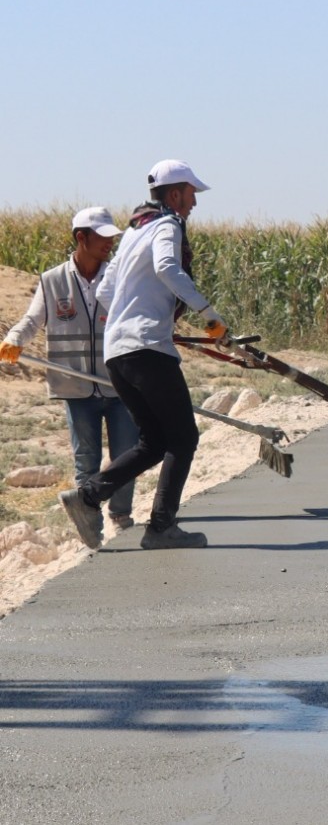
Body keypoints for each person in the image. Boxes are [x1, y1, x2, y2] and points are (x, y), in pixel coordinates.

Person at [57, 160, 230, 551]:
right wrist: (208, 316)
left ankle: (86, 497)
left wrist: (137, 315)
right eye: (190, 195)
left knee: (154, 441)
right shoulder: (166, 226)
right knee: (183, 438)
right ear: (174, 194)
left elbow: (104, 291)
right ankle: (161, 527)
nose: (193, 204)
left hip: (119, 353)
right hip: (148, 348)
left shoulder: (136, 231)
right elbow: (168, 266)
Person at [1, 208, 141, 533]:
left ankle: (122, 517)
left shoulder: (118, 278)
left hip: (119, 383)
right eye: (102, 236)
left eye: (111, 236)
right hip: (76, 387)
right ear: (82, 237)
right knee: (86, 458)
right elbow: (33, 320)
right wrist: (13, 339)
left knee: (127, 456)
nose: (110, 242)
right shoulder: (52, 280)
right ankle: (89, 522)